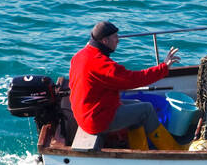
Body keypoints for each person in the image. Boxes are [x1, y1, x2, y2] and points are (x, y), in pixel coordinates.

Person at [69, 21, 182, 150]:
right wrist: (163, 68)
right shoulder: (101, 64)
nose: (118, 40)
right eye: (115, 37)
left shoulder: (79, 56)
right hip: (95, 120)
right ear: (105, 41)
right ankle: (172, 149)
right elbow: (133, 80)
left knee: (137, 103)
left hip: (86, 113)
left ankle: (139, 150)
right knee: (147, 109)